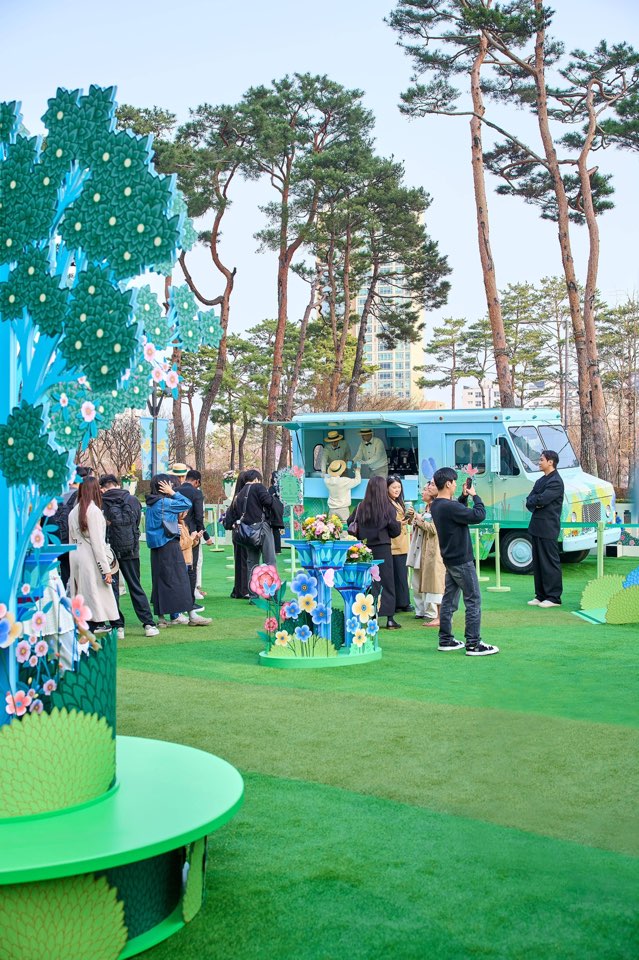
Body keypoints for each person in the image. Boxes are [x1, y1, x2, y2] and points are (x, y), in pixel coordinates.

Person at [430, 468, 499, 656]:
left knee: (449, 601)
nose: (455, 484)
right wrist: (475, 496)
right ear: (448, 484)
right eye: (453, 482)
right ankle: (473, 644)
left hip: (450, 559)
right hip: (462, 560)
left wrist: (463, 497)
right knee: (473, 600)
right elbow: (478, 515)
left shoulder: (437, 505)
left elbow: (457, 513)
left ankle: (446, 640)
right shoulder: (450, 507)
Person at [145, 475, 211, 627]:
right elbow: (186, 503)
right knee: (181, 581)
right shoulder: (165, 502)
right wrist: (172, 493)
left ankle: (161, 618)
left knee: (159, 582)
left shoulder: (150, 504)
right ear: (164, 486)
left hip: (156, 548)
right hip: (170, 545)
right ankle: (192, 616)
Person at [99, 474, 158, 640]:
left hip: (109, 551)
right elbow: (137, 522)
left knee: (112, 589)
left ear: (102, 488)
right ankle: (148, 624)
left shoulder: (101, 502)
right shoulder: (132, 500)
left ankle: (118, 626)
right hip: (131, 549)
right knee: (135, 586)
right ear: (118, 484)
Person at [348, 475, 402, 629]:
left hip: (365, 549)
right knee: (387, 582)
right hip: (383, 548)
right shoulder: (388, 508)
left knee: (369, 582)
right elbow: (395, 530)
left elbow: (350, 523)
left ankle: (370, 614)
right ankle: (389, 618)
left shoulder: (361, 507)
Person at [68, 476, 119, 634]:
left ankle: (85, 624)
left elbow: (71, 540)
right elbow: (98, 543)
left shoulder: (74, 511)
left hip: (76, 555)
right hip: (90, 556)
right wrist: (106, 569)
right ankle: (96, 624)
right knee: (95, 592)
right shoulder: (94, 511)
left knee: (83, 592)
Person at [224, 469, 279, 597]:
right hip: (261, 528)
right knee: (269, 561)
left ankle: (253, 595)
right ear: (256, 479)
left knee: (252, 564)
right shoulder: (258, 487)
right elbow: (268, 502)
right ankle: (273, 595)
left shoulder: (239, 493)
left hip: (247, 531)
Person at [525, 449, 565, 608]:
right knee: (538, 563)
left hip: (548, 527)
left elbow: (542, 499)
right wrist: (537, 501)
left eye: (541, 459)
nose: (539, 462)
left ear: (550, 462)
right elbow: (529, 500)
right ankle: (540, 595)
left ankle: (554, 597)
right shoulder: (540, 481)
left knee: (549, 562)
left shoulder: (556, 481)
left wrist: (537, 501)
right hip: (536, 526)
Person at [172, 468, 214, 613]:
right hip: (191, 534)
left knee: (177, 567)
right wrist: (205, 536)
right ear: (197, 481)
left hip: (175, 531)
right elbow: (199, 517)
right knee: (191, 567)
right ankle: (189, 602)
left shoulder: (175, 490)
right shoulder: (196, 493)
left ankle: (176, 600)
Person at [408, 480, 445, 625]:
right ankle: (421, 610)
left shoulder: (437, 508)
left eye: (427, 489)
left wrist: (419, 520)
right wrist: (415, 519)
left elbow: (433, 529)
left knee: (432, 581)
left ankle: (433, 613)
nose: (424, 492)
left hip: (431, 549)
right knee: (417, 580)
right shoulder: (425, 508)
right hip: (420, 547)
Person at [52, 465, 94, 588]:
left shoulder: (58, 495)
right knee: (78, 579)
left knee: (64, 575)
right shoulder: (79, 497)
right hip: (74, 542)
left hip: (58, 540)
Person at [387, 475, 413, 612]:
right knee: (397, 575)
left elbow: (407, 522)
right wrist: (400, 523)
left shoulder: (398, 502)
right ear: (387, 488)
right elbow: (390, 523)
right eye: (394, 487)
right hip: (394, 544)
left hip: (402, 543)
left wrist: (410, 515)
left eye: (399, 487)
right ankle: (400, 603)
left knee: (402, 574)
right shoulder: (387, 503)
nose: (397, 490)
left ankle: (403, 602)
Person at [224, 470, 250, 599]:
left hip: (237, 532)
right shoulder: (243, 497)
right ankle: (244, 589)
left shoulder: (236, 496)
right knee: (245, 561)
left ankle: (239, 589)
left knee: (240, 561)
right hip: (246, 532)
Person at [268, 473, 286, 553]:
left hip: (273, 511)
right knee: (276, 530)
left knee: (273, 529)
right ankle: (277, 549)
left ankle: (274, 548)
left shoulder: (272, 488)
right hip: (280, 509)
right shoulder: (281, 488)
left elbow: (269, 499)